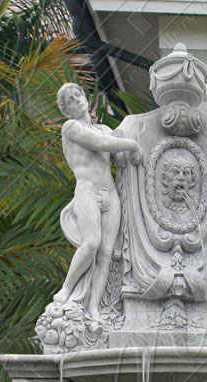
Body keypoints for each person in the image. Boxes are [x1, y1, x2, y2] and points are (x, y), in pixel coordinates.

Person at [54, 83, 142, 322]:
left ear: (85, 97)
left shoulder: (104, 128)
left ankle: (94, 307)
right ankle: (66, 288)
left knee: (105, 254)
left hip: (110, 194)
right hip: (88, 190)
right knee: (91, 244)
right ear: (66, 111)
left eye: (77, 95)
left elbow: (120, 160)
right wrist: (132, 144)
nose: (76, 100)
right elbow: (101, 144)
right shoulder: (71, 127)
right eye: (70, 101)